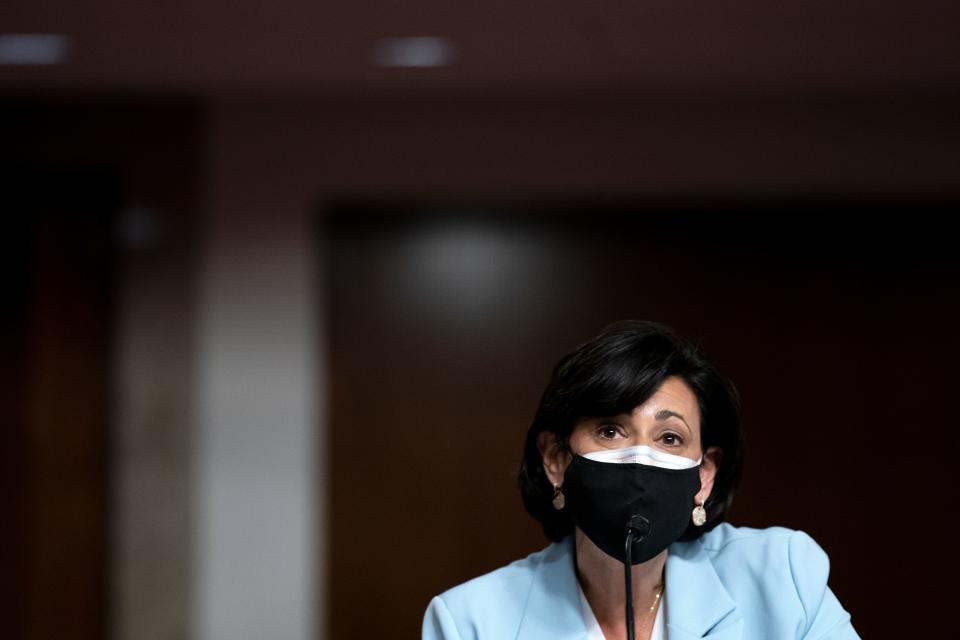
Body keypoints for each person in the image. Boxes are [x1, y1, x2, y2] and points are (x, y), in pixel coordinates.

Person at [422, 320, 859, 640]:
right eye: (611, 430)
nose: (640, 456)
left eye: (670, 437)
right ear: (555, 459)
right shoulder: (468, 622)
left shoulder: (784, 578)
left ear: (704, 476)